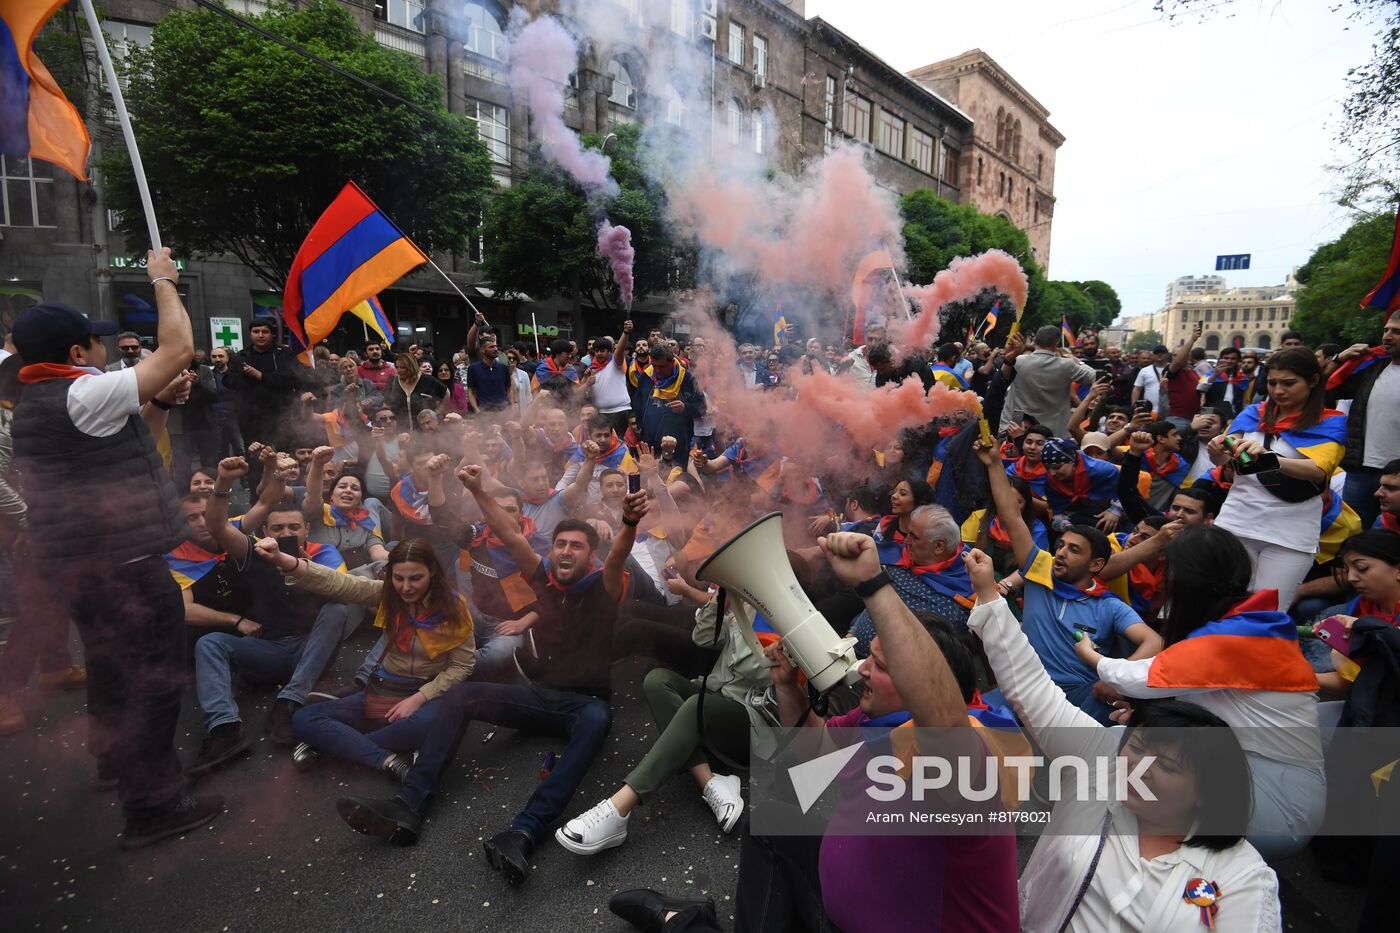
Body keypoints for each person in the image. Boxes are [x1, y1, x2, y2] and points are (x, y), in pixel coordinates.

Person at [332, 465, 648, 889]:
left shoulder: (602, 587)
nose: (566, 551)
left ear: (589, 555)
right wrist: (479, 490)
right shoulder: (544, 579)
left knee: (597, 720)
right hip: (538, 696)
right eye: (560, 544)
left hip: (584, 705)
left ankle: (523, 833)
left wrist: (628, 521)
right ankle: (407, 805)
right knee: (462, 695)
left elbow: (618, 556)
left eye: (576, 546)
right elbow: (510, 534)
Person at [9, 250, 224, 848]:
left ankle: (114, 761)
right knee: (153, 679)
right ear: (77, 353)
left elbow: (131, 445)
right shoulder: (79, 394)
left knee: (109, 667)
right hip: (124, 568)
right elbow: (179, 348)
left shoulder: (49, 402)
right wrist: (163, 280)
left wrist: (160, 403)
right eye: (96, 342)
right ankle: (153, 803)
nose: (105, 349)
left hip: (87, 568)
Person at [963, 548, 1281, 932]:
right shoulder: (1099, 762)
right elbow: (1031, 687)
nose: (1138, 766)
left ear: (1206, 789)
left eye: (1166, 766)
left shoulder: (1243, 878)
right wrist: (989, 595)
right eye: (1137, 746)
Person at [771, 531, 1020, 933]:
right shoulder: (874, 721)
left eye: (882, 667)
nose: (864, 670)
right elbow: (813, 751)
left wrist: (873, 585)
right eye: (870, 658)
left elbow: (944, 722)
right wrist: (787, 687)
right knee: (769, 827)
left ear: (923, 686)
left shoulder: (969, 763)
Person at [1074, 526, 1325, 856]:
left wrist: (1092, 656)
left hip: (1279, 803)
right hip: (1265, 775)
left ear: (1185, 582)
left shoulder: (1234, 638)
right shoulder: (1251, 621)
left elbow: (1135, 679)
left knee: (1118, 760)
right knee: (1128, 743)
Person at [247, 538, 476, 777]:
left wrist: (419, 698)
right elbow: (339, 583)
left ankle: (334, 744)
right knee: (305, 718)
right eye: (398, 578)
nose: (406, 587)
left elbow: (462, 666)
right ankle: (388, 760)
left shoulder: (454, 608)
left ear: (433, 572)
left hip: (427, 695)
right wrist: (284, 560)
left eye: (415, 578)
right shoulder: (388, 594)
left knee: (426, 725)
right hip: (384, 690)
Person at [977, 441, 1167, 723]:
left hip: (1077, 697)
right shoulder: (1041, 570)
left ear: (1096, 565)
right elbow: (1011, 515)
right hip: (1024, 686)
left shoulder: (1109, 605)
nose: (1061, 553)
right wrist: (994, 463)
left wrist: (1115, 679)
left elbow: (1154, 641)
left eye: (1074, 550)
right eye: (1062, 545)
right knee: (973, 721)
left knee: (1113, 714)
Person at [194, 457, 353, 768]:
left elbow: (345, 591)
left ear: (307, 530)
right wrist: (223, 482)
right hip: (269, 648)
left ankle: (289, 703)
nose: (285, 533)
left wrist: (309, 570)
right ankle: (223, 728)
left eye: (294, 527)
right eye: (277, 528)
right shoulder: (254, 552)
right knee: (209, 643)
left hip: (310, 650)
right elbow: (217, 527)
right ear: (264, 530)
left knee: (336, 609)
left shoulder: (324, 553)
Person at [1211, 346, 1347, 608]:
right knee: (1222, 606)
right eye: (1272, 383)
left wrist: (1269, 458)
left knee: (1267, 613)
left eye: (1288, 383)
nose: (1278, 390)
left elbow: (1318, 470)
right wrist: (1217, 450)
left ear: (1313, 381)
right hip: (1236, 522)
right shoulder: (1253, 413)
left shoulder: (1331, 422)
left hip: (1289, 534)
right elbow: (1225, 459)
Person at [848, 504, 974, 654]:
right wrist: (852, 633)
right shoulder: (903, 559)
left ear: (939, 546)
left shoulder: (956, 598)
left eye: (914, 537)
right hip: (850, 648)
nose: (906, 541)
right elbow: (877, 600)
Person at [1327, 308, 1400, 528]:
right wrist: (1339, 359)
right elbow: (1324, 389)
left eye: (1396, 332)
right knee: (1351, 531)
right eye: (1386, 330)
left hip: (1397, 474)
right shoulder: (1372, 368)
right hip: (1360, 469)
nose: (1387, 336)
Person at [1001, 325, 1098, 436]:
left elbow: (1001, 378)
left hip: (1017, 427)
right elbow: (1095, 377)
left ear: (1034, 340)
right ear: (1056, 343)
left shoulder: (1018, 361)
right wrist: (1078, 362)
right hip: (1053, 432)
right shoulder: (1067, 365)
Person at [303, 447, 389, 570]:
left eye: (355, 488)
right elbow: (313, 493)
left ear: (360, 499)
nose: (348, 490)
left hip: (357, 577)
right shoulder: (320, 512)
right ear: (331, 496)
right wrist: (317, 463)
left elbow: (378, 553)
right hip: (321, 574)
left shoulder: (367, 523)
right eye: (342, 487)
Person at [226, 320, 301, 452]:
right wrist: (244, 375)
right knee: (255, 455)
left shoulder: (284, 354)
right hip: (250, 417)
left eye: (265, 332)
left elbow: (293, 377)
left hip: (280, 415)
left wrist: (262, 376)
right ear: (250, 334)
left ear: (272, 334)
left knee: (283, 455)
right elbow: (228, 381)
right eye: (256, 332)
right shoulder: (241, 356)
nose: (260, 335)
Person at [632, 344, 705, 455]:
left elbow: (702, 407)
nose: (657, 370)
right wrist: (639, 425)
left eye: (662, 366)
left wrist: (685, 408)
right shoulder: (647, 376)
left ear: (672, 362)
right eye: (654, 365)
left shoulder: (687, 379)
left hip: (678, 442)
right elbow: (637, 403)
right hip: (649, 441)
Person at [589, 323, 635, 435]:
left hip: (620, 412)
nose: (599, 354)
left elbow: (620, 350)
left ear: (610, 352)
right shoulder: (591, 369)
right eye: (597, 351)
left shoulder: (615, 363)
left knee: (619, 442)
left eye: (602, 351)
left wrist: (625, 333)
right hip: (601, 413)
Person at [383, 351, 447, 427]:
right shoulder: (393, 382)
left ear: (411, 366)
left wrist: (438, 412)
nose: (399, 370)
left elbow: (446, 393)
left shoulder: (427, 380)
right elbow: (386, 403)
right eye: (397, 367)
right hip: (401, 427)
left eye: (403, 367)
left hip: (424, 428)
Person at [207, 347, 244, 459]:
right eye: (214, 357)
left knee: (240, 448)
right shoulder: (209, 375)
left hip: (235, 416)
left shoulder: (236, 374)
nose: (217, 359)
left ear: (227, 358)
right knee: (220, 450)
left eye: (220, 356)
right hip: (215, 416)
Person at [1197, 346, 1253, 418]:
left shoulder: (1243, 378)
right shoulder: (1211, 374)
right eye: (1226, 358)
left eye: (1233, 359)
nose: (1229, 361)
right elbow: (1200, 388)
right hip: (1209, 412)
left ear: (1238, 360)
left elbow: (1245, 401)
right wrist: (1215, 375)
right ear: (1220, 359)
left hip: (1233, 414)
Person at [466, 333, 513, 413]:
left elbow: (509, 388)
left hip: (503, 412)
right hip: (484, 412)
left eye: (496, 346)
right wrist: (476, 409)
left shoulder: (503, 368)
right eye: (491, 347)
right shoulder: (473, 368)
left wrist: (512, 405)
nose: (495, 349)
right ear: (482, 350)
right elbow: (471, 391)